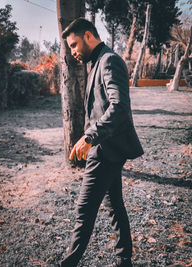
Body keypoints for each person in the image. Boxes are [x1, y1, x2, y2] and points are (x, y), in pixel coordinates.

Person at [58, 18, 144, 267]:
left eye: (74, 45)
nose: (72, 52)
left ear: (88, 35)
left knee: (84, 211)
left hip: (105, 148)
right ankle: (123, 260)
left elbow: (119, 107)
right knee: (115, 205)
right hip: (108, 147)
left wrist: (89, 137)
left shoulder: (109, 60)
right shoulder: (98, 61)